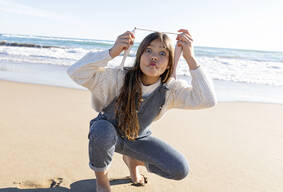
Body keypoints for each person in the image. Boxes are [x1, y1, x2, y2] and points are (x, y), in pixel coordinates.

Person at [67, 29, 217, 192]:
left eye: (162, 53)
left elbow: (207, 100)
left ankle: (134, 160)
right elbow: (76, 72)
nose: (154, 56)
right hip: (107, 133)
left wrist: (190, 58)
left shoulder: (171, 90)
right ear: (139, 56)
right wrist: (112, 52)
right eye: (148, 50)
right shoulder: (118, 77)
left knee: (179, 169)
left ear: (169, 63)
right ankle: (102, 181)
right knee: (102, 130)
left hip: (137, 139)